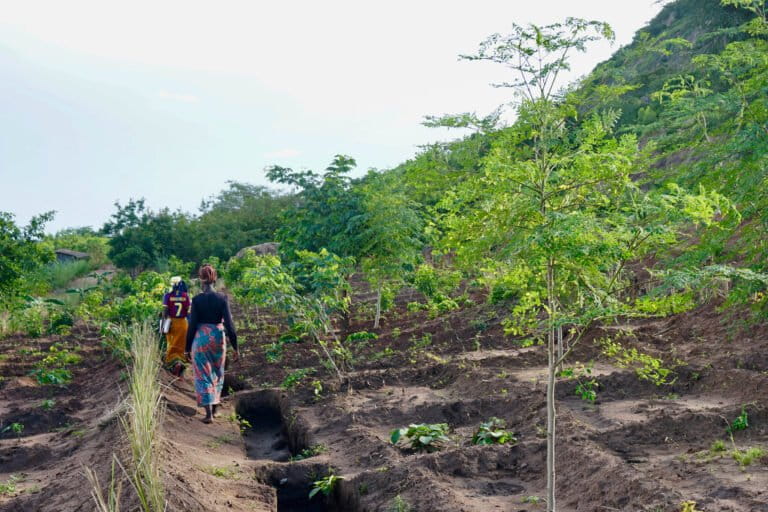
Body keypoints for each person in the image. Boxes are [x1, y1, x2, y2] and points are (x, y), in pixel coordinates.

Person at [185, 264, 239, 423]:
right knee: (217, 372)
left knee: (203, 374)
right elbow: (229, 324)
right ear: (214, 279)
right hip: (217, 338)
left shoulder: (196, 300)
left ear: (201, 280)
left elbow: (192, 325)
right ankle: (215, 410)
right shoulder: (222, 298)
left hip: (201, 339)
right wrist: (235, 347)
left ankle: (208, 414)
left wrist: (187, 349)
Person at [162, 276, 191, 377]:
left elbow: (165, 312)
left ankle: (173, 363)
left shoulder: (167, 296)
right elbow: (189, 312)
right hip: (183, 324)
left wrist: (164, 323)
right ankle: (181, 363)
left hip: (172, 323)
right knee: (181, 346)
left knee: (171, 344)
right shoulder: (185, 296)